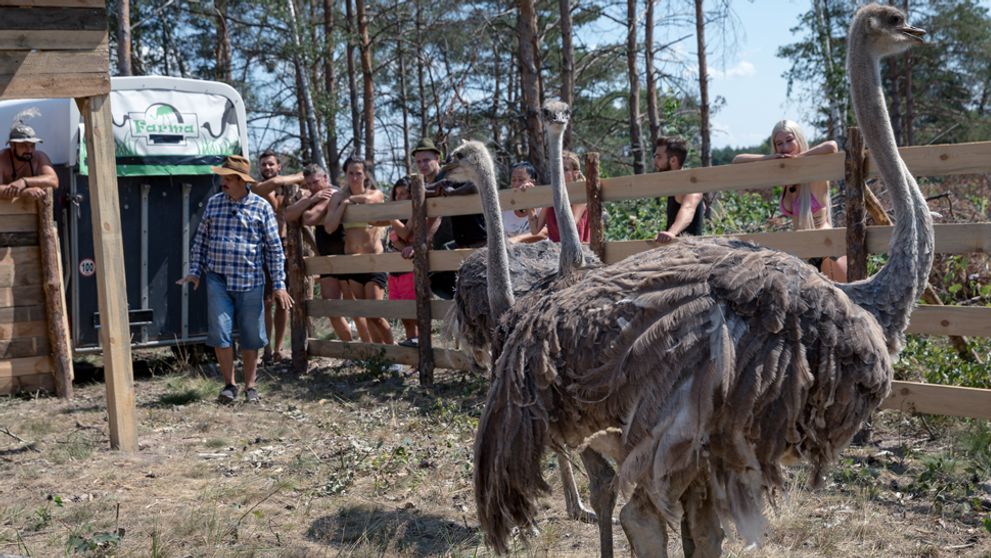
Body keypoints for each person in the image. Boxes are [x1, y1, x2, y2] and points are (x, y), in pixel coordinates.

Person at [177, 155, 293, 404]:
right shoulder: (214, 204)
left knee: (251, 336)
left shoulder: (261, 207)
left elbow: (274, 249)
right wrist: (195, 271)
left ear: (241, 181)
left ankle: (251, 386)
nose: (223, 183)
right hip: (217, 279)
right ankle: (229, 385)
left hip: (251, 280)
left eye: (227, 179)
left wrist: (279, 285)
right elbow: (201, 241)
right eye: (222, 178)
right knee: (220, 333)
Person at [732, 120, 847, 282]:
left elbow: (832, 146)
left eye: (789, 140)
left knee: (843, 301)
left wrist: (799, 158)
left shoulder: (814, 171)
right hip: (801, 252)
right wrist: (771, 158)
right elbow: (737, 159)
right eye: (779, 143)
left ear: (799, 140)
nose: (785, 148)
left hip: (826, 250)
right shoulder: (785, 176)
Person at [283, 163, 367, 343]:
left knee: (353, 306)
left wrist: (310, 202)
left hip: (344, 255)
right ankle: (350, 348)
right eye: (309, 184)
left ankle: (369, 349)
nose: (313, 187)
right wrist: (310, 200)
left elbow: (309, 218)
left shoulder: (333, 193)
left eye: (316, 182)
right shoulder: (314, 196)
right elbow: (289, 215)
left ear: (325, 179)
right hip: (326, 259)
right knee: (330, 306)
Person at [323, 157, 396, 345]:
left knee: (375, 313)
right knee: (364, 312)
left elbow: (370, 200)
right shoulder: (338, 197)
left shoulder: (375, 193)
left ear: (365, 175)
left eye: (359, 173)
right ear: (345, 175)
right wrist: (344, 205)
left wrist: (350, 199)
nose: (355, 177)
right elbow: (330, 227)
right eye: (350, 173)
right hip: (353, 262)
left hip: (374, 261)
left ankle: (394, 354)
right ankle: (379, 356)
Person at [403, 137, 487, 299]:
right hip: (454, 243)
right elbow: (424, 194)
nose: (422, 165)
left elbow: (437, 217)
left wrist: (420, 243)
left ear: (437, 158)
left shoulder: (450, 174)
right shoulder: (435, 181)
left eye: (426, 160)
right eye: (418, 162)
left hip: (471, 239)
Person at [252, 150, 300, 364]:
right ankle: (267, 349)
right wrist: (289, 178)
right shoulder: (257, 187)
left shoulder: (290, 192)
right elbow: (274, 184)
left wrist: (288, 181)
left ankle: (280, 348)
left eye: (271, 164)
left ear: (278, 166)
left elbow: (306, 177)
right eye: (264, 165)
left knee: (283, 301)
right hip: (263, 249)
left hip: (286, 247)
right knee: (266, 301)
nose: (267, 168)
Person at [512, 153, 591, 243]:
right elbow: (535, 229)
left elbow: (568, 227)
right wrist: (531, 198)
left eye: (565, 169)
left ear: (575, 174)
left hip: (578, 251)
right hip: (556, 252)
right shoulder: (552, 194)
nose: (559, 173)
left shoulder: (580, 194)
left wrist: (556, 199)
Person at [384, 177, 419, 347]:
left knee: (414, 313)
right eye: (396, 194)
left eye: (403, 194)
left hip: (409, 271)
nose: (399, 198)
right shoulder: (396, 216)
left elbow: (405, 235)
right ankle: (411, 347)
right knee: (404, 316)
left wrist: (390, 217)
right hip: (394, 271)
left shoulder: (414, 213)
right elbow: (394, 240)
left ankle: (421, 346)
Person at [652, 136, 704, 243]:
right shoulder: (674, 185)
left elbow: (688, 209)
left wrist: (672, 232)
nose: (655, 161)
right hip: (675, 251)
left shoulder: (690, 184)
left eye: (659, 157)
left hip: (689, 251)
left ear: (673, 160)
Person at [0, 109, 59, 200]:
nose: (29, 150)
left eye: (32, 145)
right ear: (12, 145)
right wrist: (24, 192)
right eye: (23, 145)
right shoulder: (2, 159)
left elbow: (54, 181)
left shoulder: (40, 158)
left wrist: (25, 181)